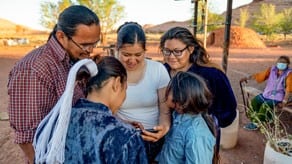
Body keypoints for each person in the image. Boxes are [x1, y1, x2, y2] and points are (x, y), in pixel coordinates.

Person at [7, 5, 101, 163]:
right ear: (61, 36)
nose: (90, 50)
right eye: (84, 45)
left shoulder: (73, 60)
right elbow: (27, 138)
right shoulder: (34, 69)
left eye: (95, 43)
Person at [159, 26, 237, 128]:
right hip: (164, 137)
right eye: (167, 51)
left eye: (177, 52)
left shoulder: (212, 75)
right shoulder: (160, 72)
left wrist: (206, 125)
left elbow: (228, 110)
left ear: (190, 49)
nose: (171, 57)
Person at [115, 22, 171, 162]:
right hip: (120, 136)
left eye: (138, 54)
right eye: (126, 54)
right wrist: (124, 123)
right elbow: (103, 111)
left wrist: (164, 128)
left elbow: (165, 110)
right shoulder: (109, 70)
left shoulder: (157, 70)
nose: (132, 60)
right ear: (117, 49)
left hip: (152, 137)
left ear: (145, 50)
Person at [156, 71, 216, 163]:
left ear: (179, 100)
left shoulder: (195, 134)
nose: (166, 91)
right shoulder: (176, 117)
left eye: (170, 88)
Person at [240, 55, 292, 130]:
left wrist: (284, 101)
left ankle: (256, 124)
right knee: (254, 102)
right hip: (267, 94)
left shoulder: (289, 74)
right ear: (277, 63)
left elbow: (288, 89)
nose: (281, 64)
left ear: (287, 64)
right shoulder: (272, 70)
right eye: (280, 62)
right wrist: (247, 78)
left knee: (265, 106)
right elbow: (260, 76)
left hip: (277, 97)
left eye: (284, 63)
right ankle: (260, 119)